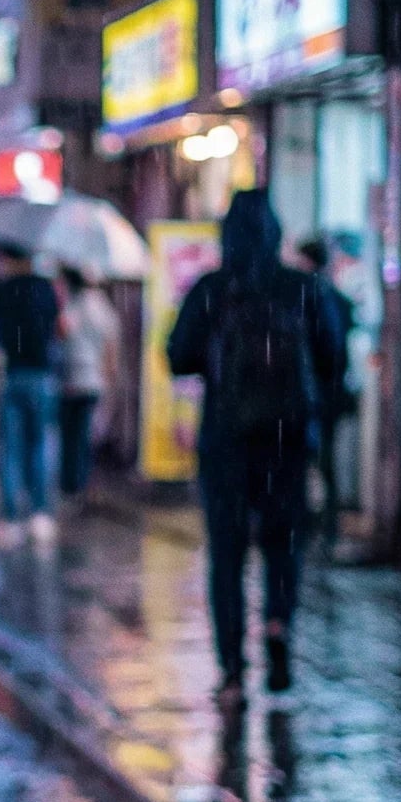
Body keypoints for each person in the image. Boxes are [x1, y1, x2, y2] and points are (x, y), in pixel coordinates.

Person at [168, 188, 340, 708]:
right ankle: (278, 623)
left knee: (227, 552)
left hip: (226, 438)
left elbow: (177, 356)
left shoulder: (212, 289)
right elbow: (333, 358)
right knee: (284, 541)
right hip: (287, 438)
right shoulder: (304, 287)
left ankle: (232, 673)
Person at [0, 241, 61, 547]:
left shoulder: (0, 291)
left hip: (10, 374)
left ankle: (9, 518)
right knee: (40, 443)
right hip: (42, 374)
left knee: (10, 448)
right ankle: (40, 514)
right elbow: (61, 329)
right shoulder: (46, 290)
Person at [295, 233, 355, 548]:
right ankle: (326, 525)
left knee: (306, 462)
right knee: (323, 463)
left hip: (311, 397)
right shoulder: (337, 300)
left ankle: (310, 526)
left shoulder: (304, 298)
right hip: (327, 396)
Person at [56, 265, 120, 500]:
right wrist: (109, 374)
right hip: (95, 380)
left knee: (70, 434)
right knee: (84, 434)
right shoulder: (105, 307)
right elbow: (111, 344)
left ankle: (70, 484)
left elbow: (63, 332)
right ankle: (81, 482)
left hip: (72, 377)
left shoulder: (74, 304)